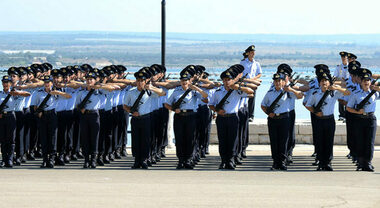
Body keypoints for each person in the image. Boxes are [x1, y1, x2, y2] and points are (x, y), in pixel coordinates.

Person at [209, 70, 254, 169]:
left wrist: (238, 86)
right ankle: (223, 160)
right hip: (221, 118)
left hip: (233, 117)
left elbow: (251, 92)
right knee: (222, 140)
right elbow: (211, 104)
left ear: (232, 80)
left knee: (233, 140)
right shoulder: (218, 92)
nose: (227, 82)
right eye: (225, 80)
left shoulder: (237, 91)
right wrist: (217, 111)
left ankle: (230, 160)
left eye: (229, 80)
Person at [164, 68, 208, 169]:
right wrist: (174, 110)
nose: (184, 83)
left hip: (191, 116)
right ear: (181, 82)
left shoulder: (194, 92)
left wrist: (196, 88)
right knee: (179, 139)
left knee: (190, 139)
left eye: (186, 81)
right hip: (179, 117)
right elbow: (167, 104)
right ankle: (181, 160)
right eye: (183, 81)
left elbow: (206, 98)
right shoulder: (176, 91)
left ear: (189, 81)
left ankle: (188, 160)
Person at [305, 72, 350, 171]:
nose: (324, 83)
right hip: (319, 120)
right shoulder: (315, 93)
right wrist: (316, 112)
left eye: (326, 81)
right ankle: (321, 162)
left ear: (329, 83)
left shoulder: (334, 93)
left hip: (329, 120)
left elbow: (348, 92)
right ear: (319, 83)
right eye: (322, 81)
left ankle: (328, 162)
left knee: (329, 142)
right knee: (320, 142)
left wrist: (337, 88)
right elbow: (308, 105)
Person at [124, 68, 166, 169]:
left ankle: (144, 160)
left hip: (146, 118)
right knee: (136, 139)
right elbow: (125, 106)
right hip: (135, 119)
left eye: (142, 81)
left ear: (145, 81)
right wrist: (132, 112)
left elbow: (162, 93)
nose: (139, 83)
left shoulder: (150, 92)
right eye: (138, 81)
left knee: (145, 140)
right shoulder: (131, 92)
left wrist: (151, 88)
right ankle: (136, 160)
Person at [261, 73, 303, 170]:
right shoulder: (270, 93)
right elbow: (263, 105)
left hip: (285, 118)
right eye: (276, 81)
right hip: (273, 119)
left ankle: (282, 162)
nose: (277, 83)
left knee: (284, 141)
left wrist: (291, 89)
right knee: (274, 141)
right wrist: (268, 113)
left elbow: (300, 96)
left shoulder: (288, 92)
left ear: (284, 82)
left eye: (280, 81)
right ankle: (275, 162)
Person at [33, 75, 71, 168]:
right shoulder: (39, 93)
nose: (47, 84)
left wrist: (57, 92)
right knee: (44, 137)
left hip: (52, 115)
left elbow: (68, 96)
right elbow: (35, 106)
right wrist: (39, 113)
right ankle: (45, 159)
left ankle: (52, 159)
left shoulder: (56, 92)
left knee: (53, 137)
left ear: (52, 83)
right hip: (43, 115)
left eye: (48, 82)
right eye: (45, 82)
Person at [347, 68, 380, 172]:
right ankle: (361, 163)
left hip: (371, 119)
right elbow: (348, 108)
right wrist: (357, 112)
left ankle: (368, 162)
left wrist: (378, 88)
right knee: (360, 141)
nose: (366, 82)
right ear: (361, 82)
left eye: (368, 80)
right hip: (360, 119)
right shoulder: (356, 94)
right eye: (364, 81)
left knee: (369, 142)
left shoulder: (375, 93)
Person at [0, 75, 30, 168]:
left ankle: (10, 159)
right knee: (3, 139)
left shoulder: (14, 93)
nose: (5, 84)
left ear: (10, 84)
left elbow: (28, 94)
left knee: (11, 139)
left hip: (11, 116)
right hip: (1, 116)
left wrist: (17, 93)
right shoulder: (0, 94)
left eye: (7, 83)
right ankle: (4, 159)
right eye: (4, 83)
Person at [240, 45, 262, 122]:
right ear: (248, 53)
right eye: (251, 52)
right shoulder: (243, 62)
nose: (253, 54)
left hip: (253, 83)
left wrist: (253, 79)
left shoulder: (256, 63)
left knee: (252, 99)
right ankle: (243, 113)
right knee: (244, 98)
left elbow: (259, 74)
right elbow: (240, 73)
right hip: (245, 83)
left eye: (253, 52)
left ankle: (251, 115)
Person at [334, 51, 350, 121]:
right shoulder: (338, 67)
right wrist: (340, 80)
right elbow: (335, 77)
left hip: (348, 86)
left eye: (344, 57)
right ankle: (341, 115)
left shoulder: (350, 67)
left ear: (347, 58)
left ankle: (347, 115)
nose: (343, 59)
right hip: (340, 85)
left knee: (347, 101)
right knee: (340, 100)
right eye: (342, 57)